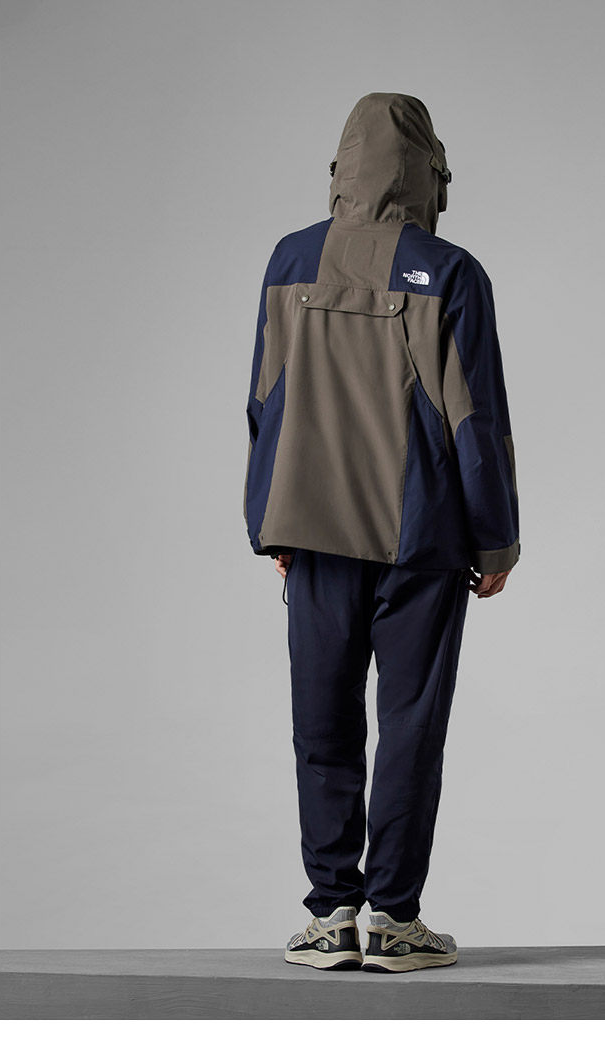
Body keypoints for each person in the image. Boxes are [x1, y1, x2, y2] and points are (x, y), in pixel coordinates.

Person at [243, 92, 520, 973]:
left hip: (314, 530)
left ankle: (331, 916)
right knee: (409, 727)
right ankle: (395, 920)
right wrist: (495, 541)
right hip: (424, 538)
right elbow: (476, 421)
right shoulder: (452, 271)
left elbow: (263, 399)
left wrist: (268, 524)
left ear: (342, 169)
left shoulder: (290, 259)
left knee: (320, 722)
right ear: (431, 176)